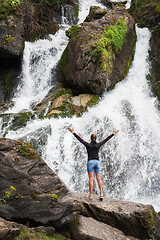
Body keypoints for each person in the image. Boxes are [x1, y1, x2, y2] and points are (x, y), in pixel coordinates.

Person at [68, 127, 119, 201]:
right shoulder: (98, 145)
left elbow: (80, 140)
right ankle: (101, 194)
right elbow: (105, 140)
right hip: (97, 162)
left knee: (91, 179)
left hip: (90, 162)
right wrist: (113, 134)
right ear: (96, 138)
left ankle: (90, 194)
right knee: (99, 179)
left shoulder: (88, 145)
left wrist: (73, 132)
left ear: (90, 138)